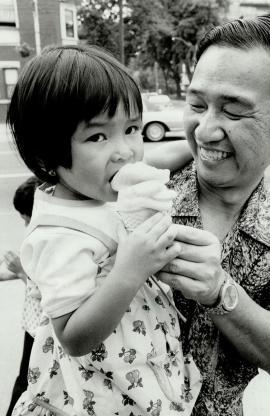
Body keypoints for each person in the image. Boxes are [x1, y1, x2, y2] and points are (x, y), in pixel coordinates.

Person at [6, 44, 201, 415]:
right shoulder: (58, 235)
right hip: (102, 392)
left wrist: (197, 146)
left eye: (131, 129)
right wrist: (130, 270)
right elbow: (73, 336)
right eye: (97, 137)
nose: (125, 151)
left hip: (140, 369)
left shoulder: (94, 187)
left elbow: (158, 157)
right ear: (48, 157)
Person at [156, 15, 270, 415]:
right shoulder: (148, 190)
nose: (204, 131)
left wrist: (220, 292)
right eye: (197, 104)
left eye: (233, 112)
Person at [0, 176, 43, 416]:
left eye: (25, 216)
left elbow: (46, 292)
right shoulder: (35, 238)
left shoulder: (51, 242)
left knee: (28, 385)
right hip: (32, 327)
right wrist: (15, 270)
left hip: (44, 330)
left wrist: (21, 271)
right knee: (24, 382)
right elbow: (9, 273)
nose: (24, 222)